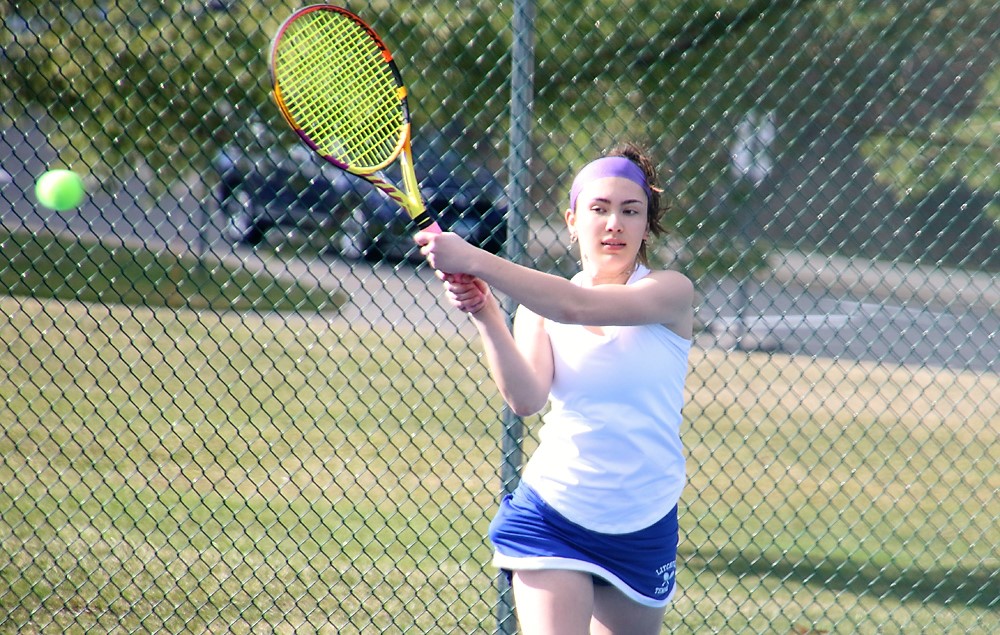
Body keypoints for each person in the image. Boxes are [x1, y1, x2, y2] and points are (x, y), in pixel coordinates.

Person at [415, 142, 694, 635]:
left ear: (647, 226)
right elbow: (526, 399)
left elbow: (578, 307)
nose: (615, 224)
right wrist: (486, 316)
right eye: (600, 209)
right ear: (572, 220)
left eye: (631, 211)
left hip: (644, 522)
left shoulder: (670, 293)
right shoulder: (537, 309)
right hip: (555, 515)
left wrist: (476, 258)